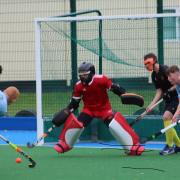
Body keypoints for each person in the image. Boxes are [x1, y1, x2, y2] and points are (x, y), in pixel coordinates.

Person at [52, 61, 144, 156]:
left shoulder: (101, 79)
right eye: (81, 75)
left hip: (104, 110)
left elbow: (114, 88)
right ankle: (64, 143)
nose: (83, 77)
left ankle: (133, 146)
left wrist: (123, 93)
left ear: (92, 73)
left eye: (85, 75)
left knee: (114, 124)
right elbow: (75, 103)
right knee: (77, 124)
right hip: (88, 110)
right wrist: (68, 110)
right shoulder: (78, 86)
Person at [143, 53, 180, 155]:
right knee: (167, 120)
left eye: (148, 63)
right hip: (169, 99)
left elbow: (175, 82)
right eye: (145, 64)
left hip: (175, 97)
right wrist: (151, 105)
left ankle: (169, 145)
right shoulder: (154, 75)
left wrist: (169, 90)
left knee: (166, 117)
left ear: (154, 61)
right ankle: (178, 145)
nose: (146, 66)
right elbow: (159, 91)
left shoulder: (165, 70)